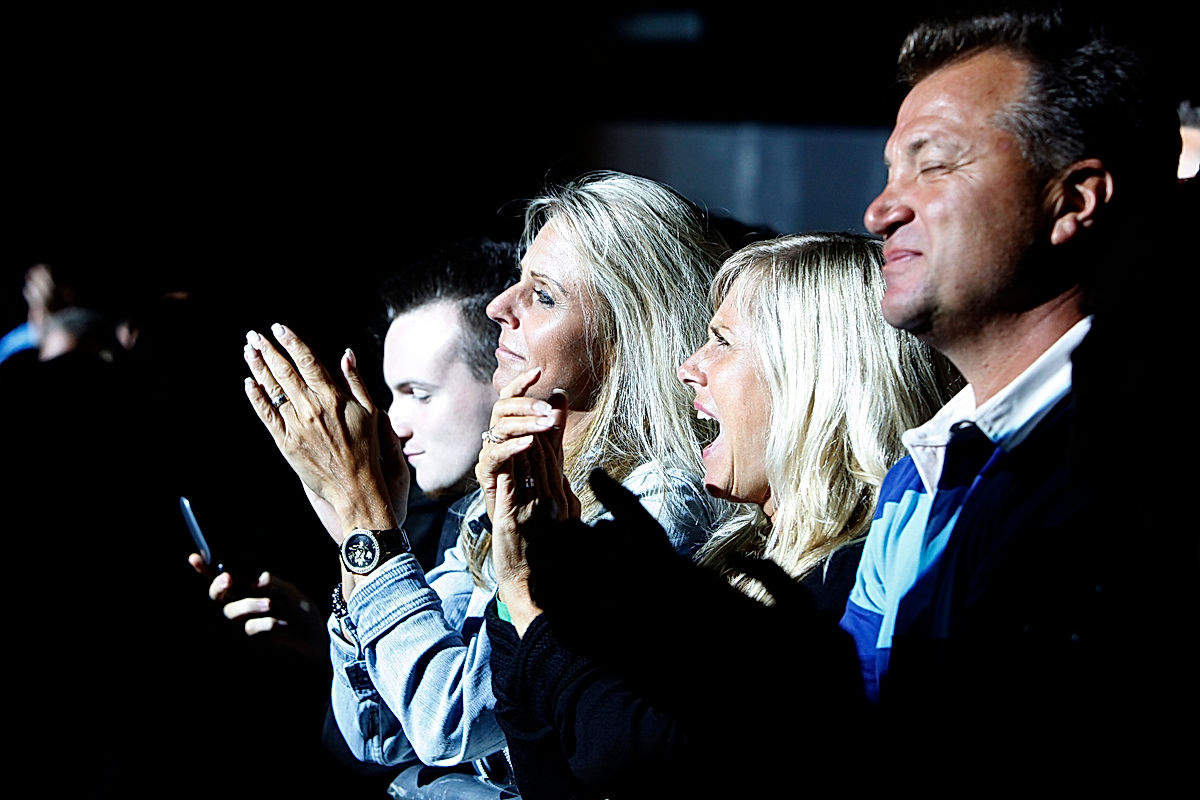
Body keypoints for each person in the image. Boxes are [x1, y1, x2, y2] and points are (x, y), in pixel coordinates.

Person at [240, 171, 726, 797]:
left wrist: (369, 533)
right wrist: (357, 538)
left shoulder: (655, 503)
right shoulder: (503, 489)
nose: (501, 305)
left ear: (628, 331)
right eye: (517, 281)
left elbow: (449, 721)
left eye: (543, 296)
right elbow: (380, 732)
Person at [838, 5, 1186, 775]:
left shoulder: (1137, 466)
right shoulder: (922, 474)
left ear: (1074, 201)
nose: (880, 211)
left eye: (934, 164)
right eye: (890, 172)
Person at [483, 232, 956, 797]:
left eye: (722, 341)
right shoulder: (728, 567)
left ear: (812, 379)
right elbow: (560, 776)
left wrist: (531, 602)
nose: (689, 368)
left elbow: (638, 757)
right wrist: (536, 570)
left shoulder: (858, 587)